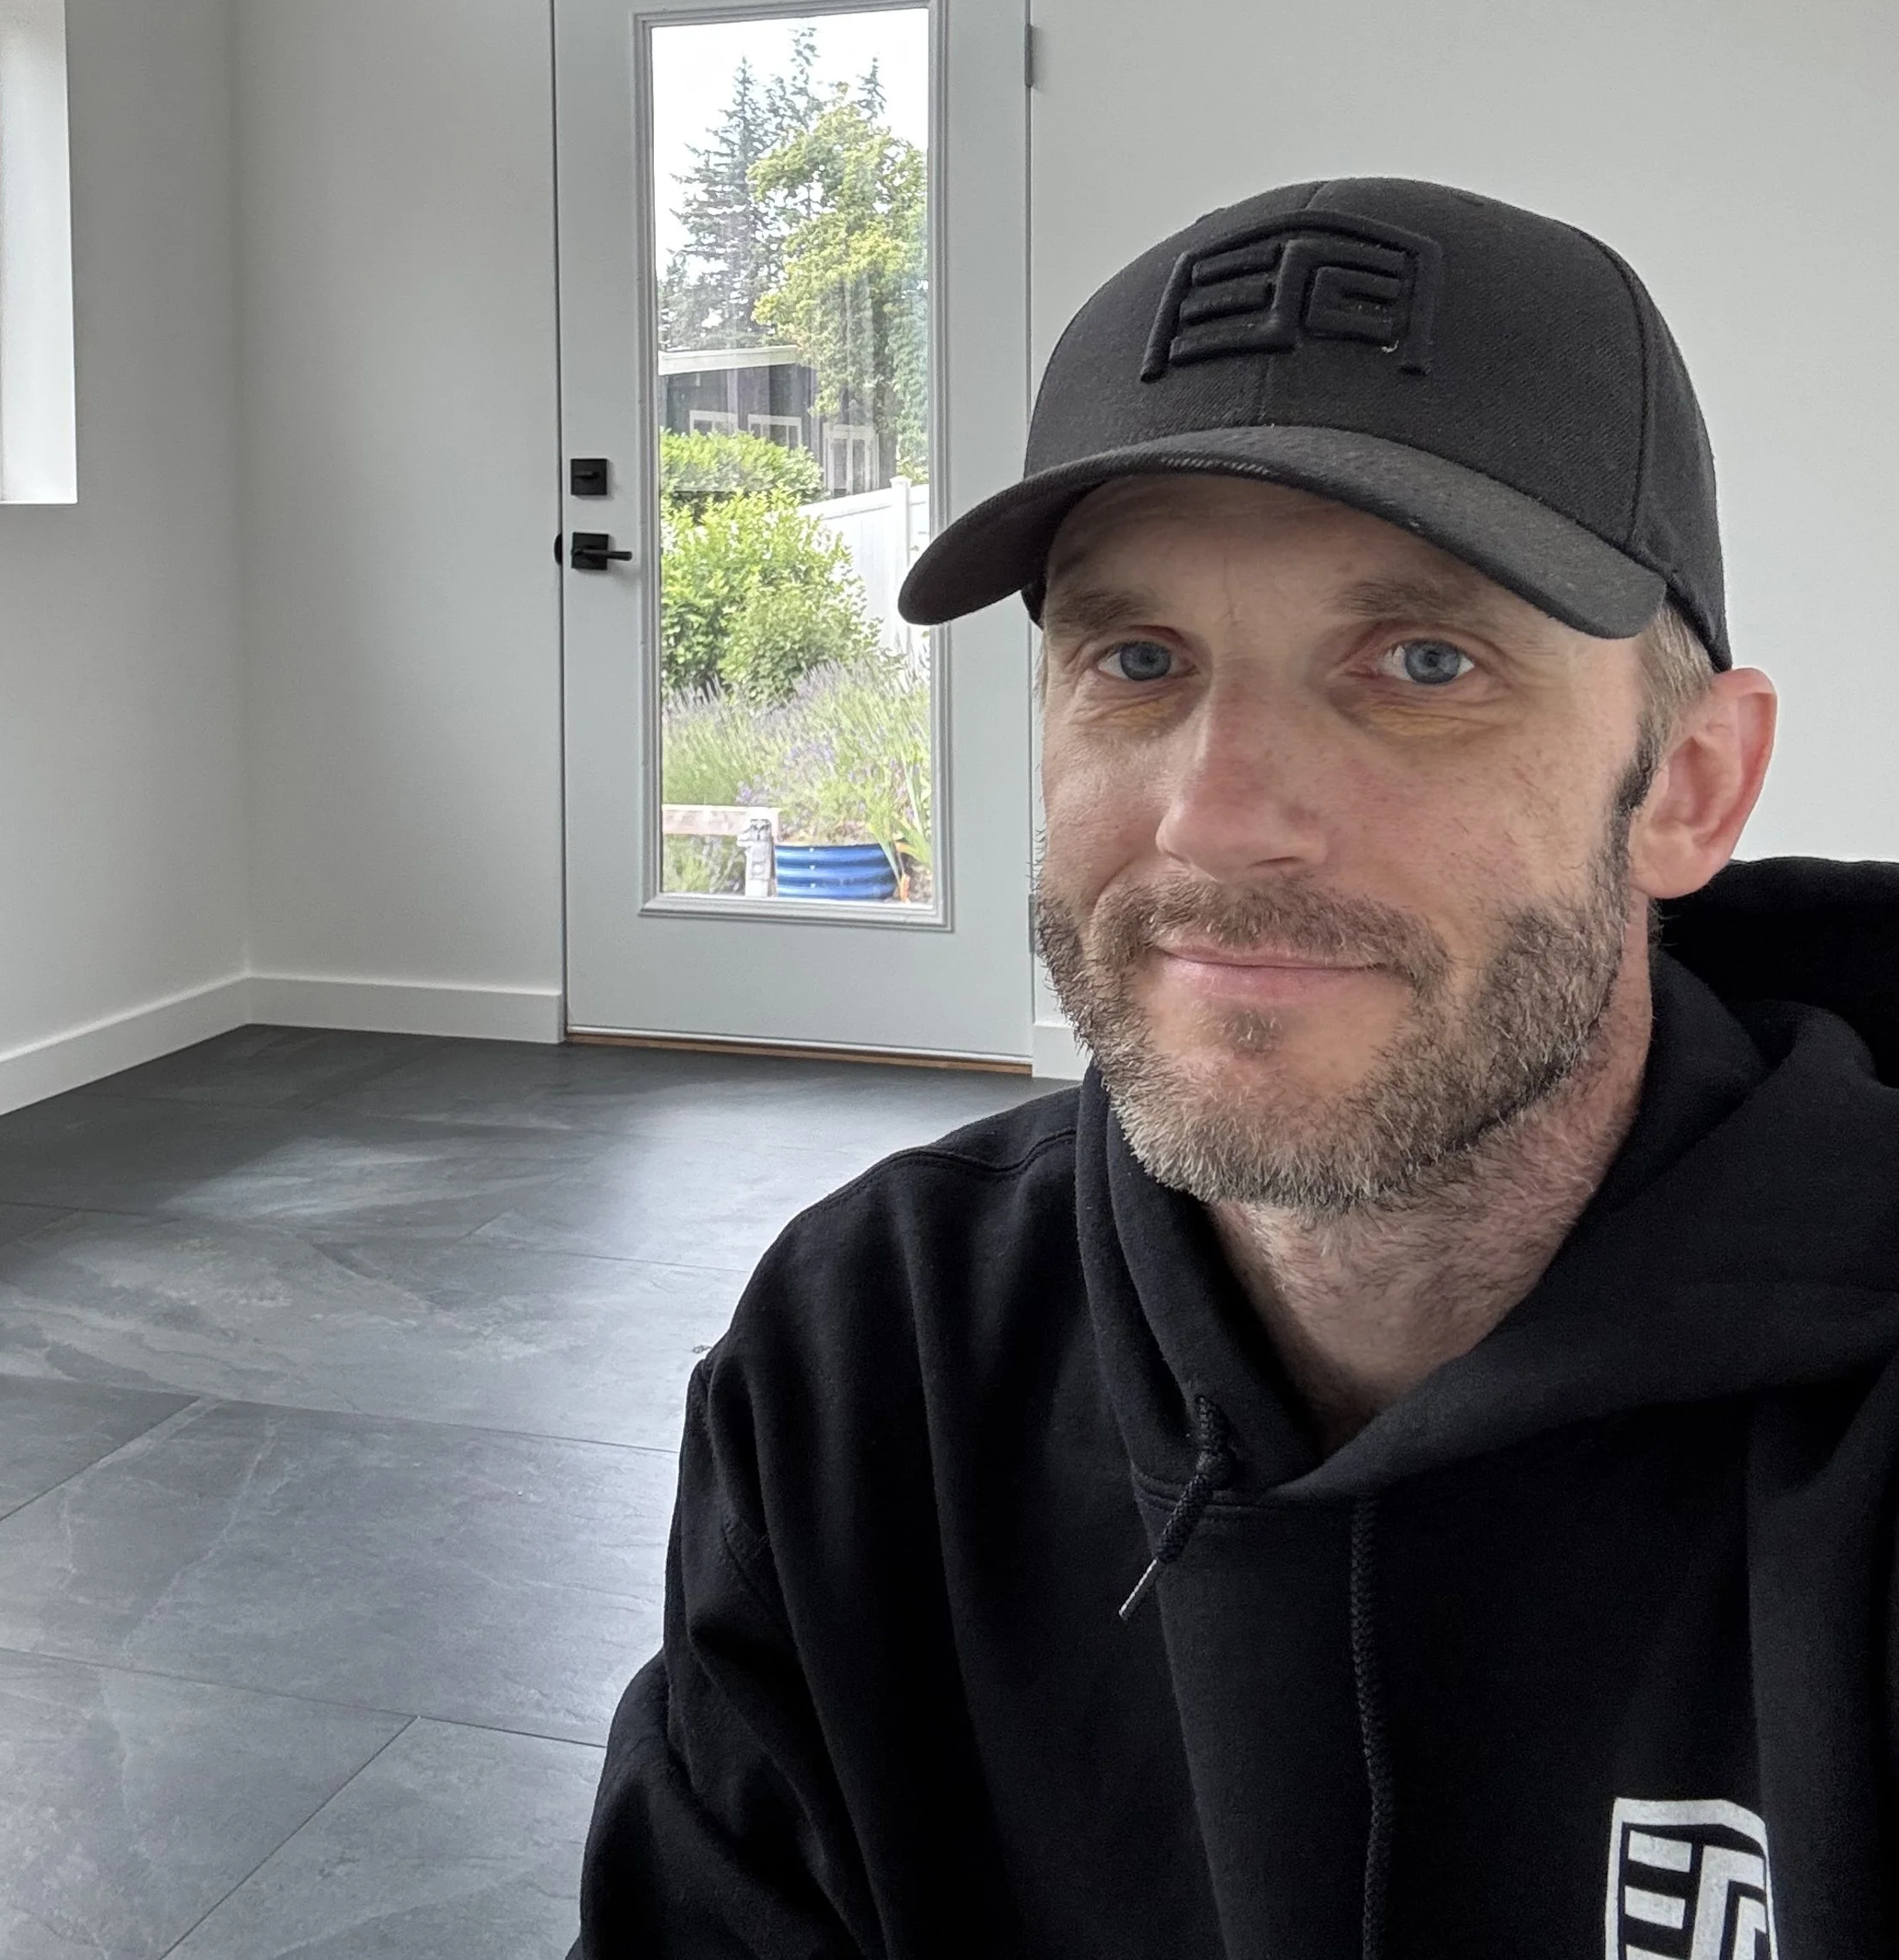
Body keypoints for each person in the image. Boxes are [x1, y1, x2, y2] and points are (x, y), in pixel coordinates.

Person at [574, 177, 1899, 1959]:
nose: (1216, 817)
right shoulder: (868, 1356)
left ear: (1685, 787)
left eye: (1421, 663)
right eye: (1134, 659)